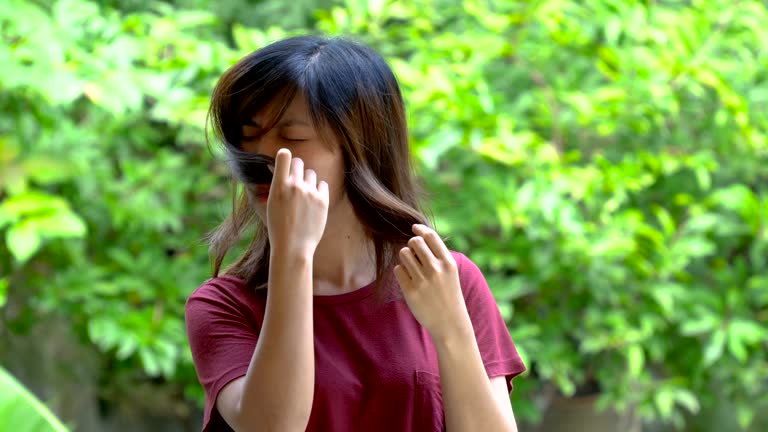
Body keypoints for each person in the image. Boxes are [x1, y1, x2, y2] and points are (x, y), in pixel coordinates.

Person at [185, 35, 526, 432]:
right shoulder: (224, 305)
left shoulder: (444, 278)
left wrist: (451, 331)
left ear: (360, 147)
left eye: (291, 137)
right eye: (250, 135)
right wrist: (292, 253)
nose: (264, 155)